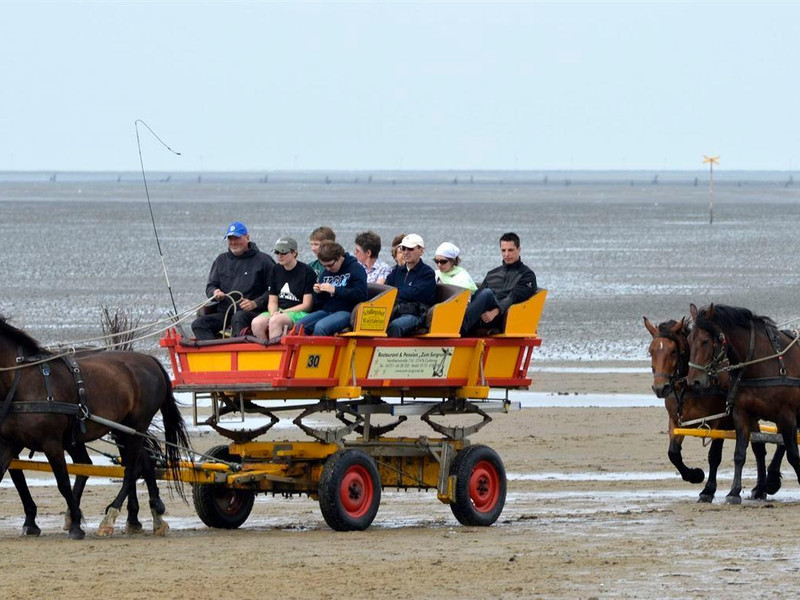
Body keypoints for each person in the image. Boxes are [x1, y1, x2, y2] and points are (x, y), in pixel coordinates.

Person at [191, 221, 275, 340]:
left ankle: (237, 354)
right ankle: (216, 355)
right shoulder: (221, 260)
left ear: (247, 237)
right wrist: (215, 293)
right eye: (230, 238)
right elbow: (210, 286)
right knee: (198, 324)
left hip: (253, 313)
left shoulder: (264, 260)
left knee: (238, 317)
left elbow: (275, 291)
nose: (233, 242)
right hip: (225, 312)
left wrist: (255, 303)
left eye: (237, 238)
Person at [460, 232, 537, 336]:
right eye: (503, 250)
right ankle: (452, 323)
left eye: (510, 250)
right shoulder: (492, 273)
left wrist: (495, 312)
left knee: (487, 293)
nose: (506, 254)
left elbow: (513, 297)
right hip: (481, 315)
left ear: (519, 250)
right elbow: (477, 297)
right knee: (469, 296)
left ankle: (459, 328)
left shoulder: (527, 275)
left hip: (500, 317)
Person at [250, 236, 316, 343]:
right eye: (277, 252)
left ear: (294, 253)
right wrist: (273, 313)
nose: (279, 256)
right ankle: (266, 352)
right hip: (279, 311)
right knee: (256, 323)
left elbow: (307, 305)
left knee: (276, 321)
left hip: (299, 312)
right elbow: (272, 301)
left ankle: (277, 354)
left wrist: (281, 313)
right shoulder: (275, 269)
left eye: (283, 253)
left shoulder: (307, 272)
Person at [296, 241, 368, 336]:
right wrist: (318, 292)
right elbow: (320, 302)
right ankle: (303, 349)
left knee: (321, 327)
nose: (328, 269)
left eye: (330, 265)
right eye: (324, 266)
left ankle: (319, 351)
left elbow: (361, 295)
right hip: (327, 310)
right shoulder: (326, 272)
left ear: (338, 258)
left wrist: (335, 290)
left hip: (347, 311)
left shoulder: (356, 269)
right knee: (299, 325)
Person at [384, 233, 437, 337]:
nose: (406, 252)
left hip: (416, 314)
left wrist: (395, 292)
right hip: (396, 311)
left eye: (410, 249)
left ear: (421, 250)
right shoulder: (396, 272)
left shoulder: (427, 273)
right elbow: (386, 290)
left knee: (395, 326)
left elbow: (414, 294)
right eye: (403, 248)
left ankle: (392, 353)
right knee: (371, 321)